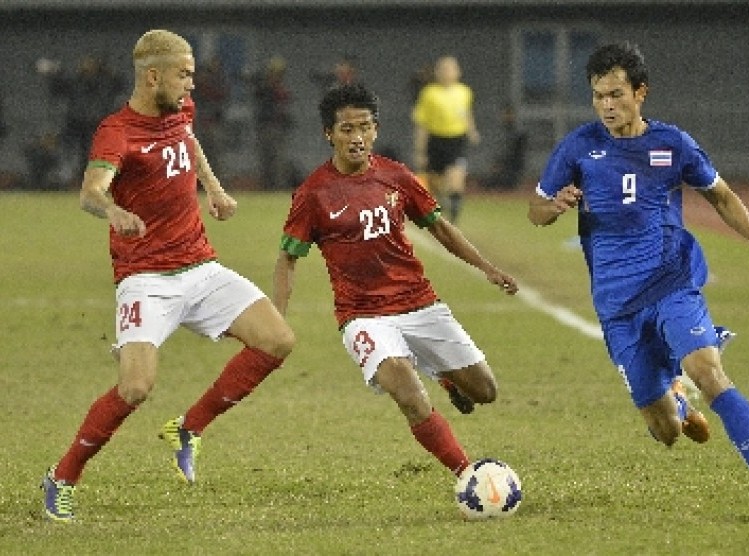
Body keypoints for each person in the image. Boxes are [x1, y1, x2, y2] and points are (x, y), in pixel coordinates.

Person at [528, 42, 749, 520]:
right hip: (617, 306)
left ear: (641, 93)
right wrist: (554, 208)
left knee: (708, 372)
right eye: (597, 96)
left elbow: (721, 196)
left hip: (671, 282)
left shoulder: (673, 144)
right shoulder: (578, 146)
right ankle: (674, 399)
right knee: (666, 433)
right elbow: (536, 210)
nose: (606, 105)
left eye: (615, 94)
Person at [41, 29, 296, 523]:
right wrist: (112, 212)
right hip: (145, 278)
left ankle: (188, 428)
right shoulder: (117, 131)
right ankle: (63, 475)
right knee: (135, 388)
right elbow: (91, 191)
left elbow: (189, 141)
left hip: (200, 266)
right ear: (152, 75)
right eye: (184, 75)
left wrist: (215, 190)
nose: (191, 86)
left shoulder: (181, 111)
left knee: (277, 340)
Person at [274, 83, 517, 481]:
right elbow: (287, 259)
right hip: (362, 315)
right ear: (328, 134)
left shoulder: (396, 176)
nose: (357, 138)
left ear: (376, 129)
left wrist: (488, 269)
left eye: (365, 128)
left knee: (485, 391)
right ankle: (466, 475)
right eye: (347, 129)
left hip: (419, 304)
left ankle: (445, 377)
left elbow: (440, 229)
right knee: (407, 392)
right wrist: (278, 318)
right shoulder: (313, 194)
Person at [36, 54, 126, 183]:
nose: (86, 66)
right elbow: (58, 89)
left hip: (96, 122)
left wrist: (107, 71)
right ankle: (71, 177)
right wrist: (54, 73)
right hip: (75, 122)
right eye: (84, 63)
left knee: (95, 152)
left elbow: (119, 84)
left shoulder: (104, 81)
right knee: (71, 151)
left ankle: (97, 179)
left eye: (90, 63)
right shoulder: (76, 81)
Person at [412, 56, 480, 224]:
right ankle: (440, 204)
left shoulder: (464, 92)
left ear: (458, 72)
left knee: (456, 177)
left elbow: (466, 113)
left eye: (451, 69)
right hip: (436, 140)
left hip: (456, 140)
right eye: (443, 69)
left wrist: (472, 131)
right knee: (436, 182)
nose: (447, 73)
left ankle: (454, 218)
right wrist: (420, 150)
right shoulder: (429, 93)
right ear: (437, 72)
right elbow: (422, 124)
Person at [249, 56, 299, 190]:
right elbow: (258, 97)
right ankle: (266, 188)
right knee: (265, 160)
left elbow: (285, 104)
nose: (275, 76)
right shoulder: (264, 88)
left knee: (278, 162)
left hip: (277, 128)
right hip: (264, 128)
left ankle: (278, 188)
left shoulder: (281, 89)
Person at [481, 104, 528, 190]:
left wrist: (501, 164)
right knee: (486, 182)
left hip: (512, 168)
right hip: (506, 165)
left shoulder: (517, 132)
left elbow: (515, 154)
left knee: (498, 183)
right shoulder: (504, 130)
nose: (503, 117)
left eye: (506, 114)